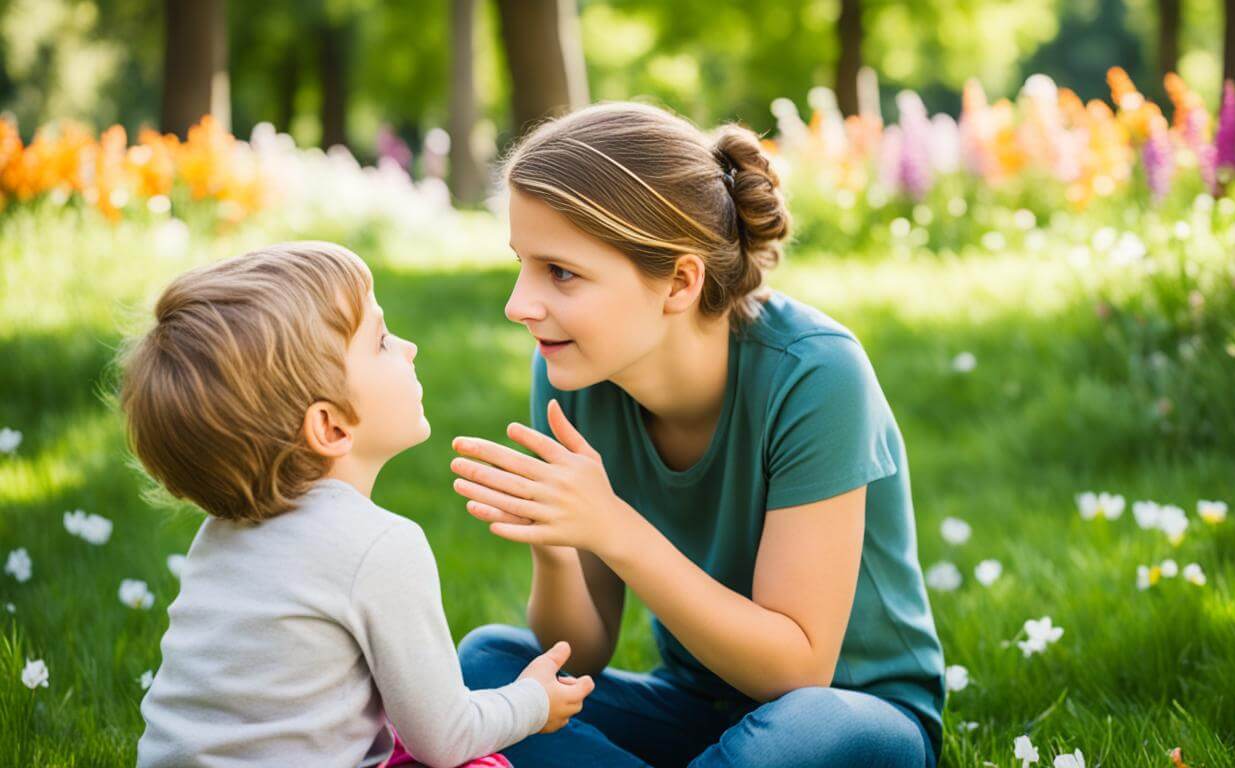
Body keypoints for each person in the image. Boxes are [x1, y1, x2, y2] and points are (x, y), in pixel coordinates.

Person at [450, 103, 945, 767]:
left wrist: (614, 528)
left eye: (560, 272)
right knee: (493, 665)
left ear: (680, 281)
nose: (519, 304)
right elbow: (582, 651)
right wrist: (556, 536)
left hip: (847, 714)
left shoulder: (816, 375)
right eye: (523, 264)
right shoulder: (571, 371)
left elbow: (794, 671)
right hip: (693, 705)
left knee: (796, 730)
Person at [121, 242, 593, 767]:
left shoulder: (217, 536)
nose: (409, 347)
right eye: (383, 340)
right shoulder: (380, 546)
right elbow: (447, 739)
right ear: (330, 426)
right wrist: (533, 700)